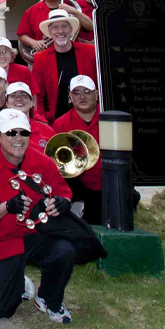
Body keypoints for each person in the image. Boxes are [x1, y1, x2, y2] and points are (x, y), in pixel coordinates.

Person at [0, 109, 76, 324]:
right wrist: (7, 207)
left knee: (64, 250)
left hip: (36, 233)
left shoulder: (43, 162)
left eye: (24, 133)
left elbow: (63, 192)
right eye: (11, 133)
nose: (18, 138)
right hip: (1, 239)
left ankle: (48, 298)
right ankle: (19, 280)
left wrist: (61, 203)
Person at [31, 10, 98, 123]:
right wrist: (41, 121)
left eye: (64, 26)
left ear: (71, 30)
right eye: (55, 27)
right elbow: (38, 96)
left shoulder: (91, 52)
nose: (60, 31)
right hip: (55, 121)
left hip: (88, 118)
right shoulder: (40, 58)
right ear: (50, 32)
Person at [52, 75, 103, 223]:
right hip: (79, 188)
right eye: (77, 92)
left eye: (87, 92)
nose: (82, 96)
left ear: (96, 94)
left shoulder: (108, 118)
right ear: (70, 96)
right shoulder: (60, 125)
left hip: (107, 184)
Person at [17, 0, 89, 58]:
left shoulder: (71, 6)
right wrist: (34, 43)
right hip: (44, 57)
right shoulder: (31, 11)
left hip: (71, 55)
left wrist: (75, 12)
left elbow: (90, 26)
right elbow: (21, 35)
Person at [4, 82, 56, 152]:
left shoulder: (47, 131)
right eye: (13, 96)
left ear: (32, 102)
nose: (19, 99)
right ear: (7, 103)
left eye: (24, 96)